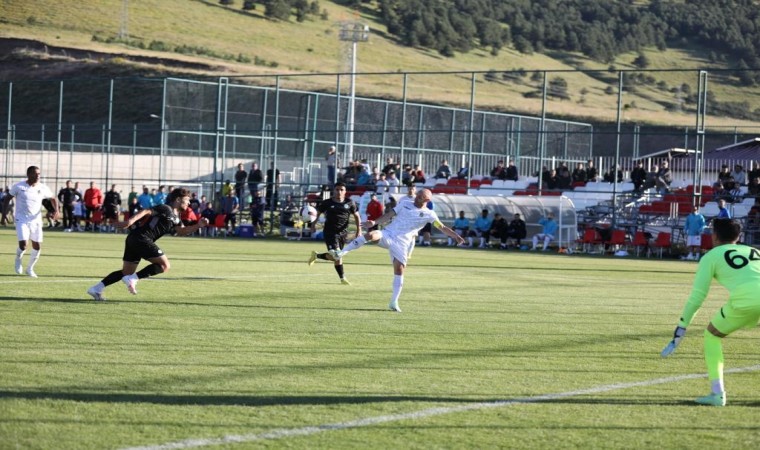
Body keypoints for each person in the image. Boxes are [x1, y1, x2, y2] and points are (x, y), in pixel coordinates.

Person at [661, 218, 760, 406]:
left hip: (747, 301)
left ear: (714, 236)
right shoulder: (755, 251)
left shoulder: (711, 256)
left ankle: (717, 394)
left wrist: (682, 327)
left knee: (712, 336)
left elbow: (697, 297)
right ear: (738, 237)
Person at [336, 188, 464, 312]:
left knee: (399, 270)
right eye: (417, 195)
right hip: (388, 233)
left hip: (402, 243)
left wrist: (455, 236)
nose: (416, 198)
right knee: (371, 235)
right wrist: (374, 222)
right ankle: (342, 252)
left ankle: (394, 302)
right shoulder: (405, 203)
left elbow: (442, 227)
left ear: (427, 200)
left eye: (420, 197)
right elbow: (389, 215)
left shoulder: (429, 214)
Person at [86, 188, 209, 301]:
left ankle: (96, 289)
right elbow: (146, 211)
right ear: (178, 199)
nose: (189, 203)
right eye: (187, 200)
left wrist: (198, 225)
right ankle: (133, 279)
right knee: (165, 265)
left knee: (126, 272)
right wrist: (129, 221)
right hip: (142, 238)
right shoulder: (166, 208)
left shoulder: (177, 217)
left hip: (134, 238)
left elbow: (182, 231)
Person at [3, 166, 59, 278]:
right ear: (28, 174)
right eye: (35, 173)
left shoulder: (43, 187)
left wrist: (56, 210)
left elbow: (54, 198)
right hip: (21, 219)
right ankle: (18, 258)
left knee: (37, 246)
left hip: (36, 220)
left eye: (39, 173)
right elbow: (7, 198)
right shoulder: (19, 186)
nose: (38, 175)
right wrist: (4, 214)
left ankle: (30, 269)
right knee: (23, 245)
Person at [307, 182, 362, 285]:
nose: (339, 192)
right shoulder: (326, 203)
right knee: (337, 255)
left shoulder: (350, 203)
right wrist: (313, 225)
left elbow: (357, 216)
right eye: (337, 189)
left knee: (336, 256)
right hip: (330, 232)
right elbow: (317, 214)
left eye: (341, 190)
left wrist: (359, 230)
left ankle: (317, 255)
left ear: (345, 191)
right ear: (334, 190)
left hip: (343, 233)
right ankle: (342, 278)